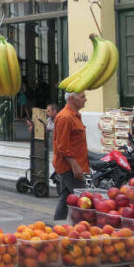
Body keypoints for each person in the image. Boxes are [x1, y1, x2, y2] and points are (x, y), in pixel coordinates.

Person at [52, 92, 90, 220]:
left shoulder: (74, 116)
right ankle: (83, 228)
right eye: (82, 97)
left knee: (65, 198)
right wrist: (75, 166)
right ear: (71, 98)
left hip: (73, 165)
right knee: (83, 199)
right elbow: (62, 146)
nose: (85, 100)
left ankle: (58, 227)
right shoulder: (65, 117)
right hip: (69, 167)